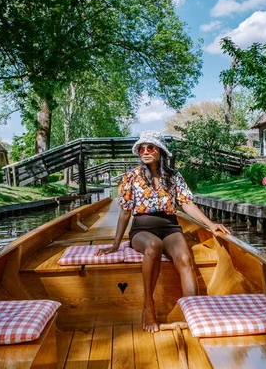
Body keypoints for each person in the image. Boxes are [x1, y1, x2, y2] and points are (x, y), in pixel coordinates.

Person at [98, 130, 229, 333]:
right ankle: (148, 306)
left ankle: (195, 314)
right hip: (142, 229)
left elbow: (186, 204)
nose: (145, 151)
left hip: (170, 226)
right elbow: (125, 212)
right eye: (141, 148)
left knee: (185, 258)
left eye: (150, 147)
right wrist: (116, 243)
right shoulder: (131, 177)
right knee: (154, 245)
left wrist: (210, 224)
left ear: (160, 151)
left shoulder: (173, 177)